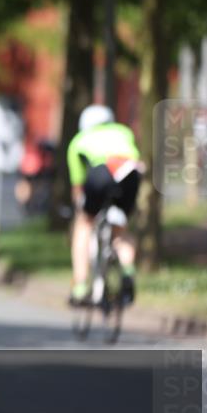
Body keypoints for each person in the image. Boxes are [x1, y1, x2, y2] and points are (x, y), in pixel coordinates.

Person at [66, 104, 142, 307]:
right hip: (130, 173)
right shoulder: (124, 131)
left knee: (83, 224)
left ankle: (80, 287)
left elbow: (78, 186)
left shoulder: (78, 141)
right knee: (120, 230)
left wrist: (81, 208)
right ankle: (127, 271)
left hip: (101, 172)